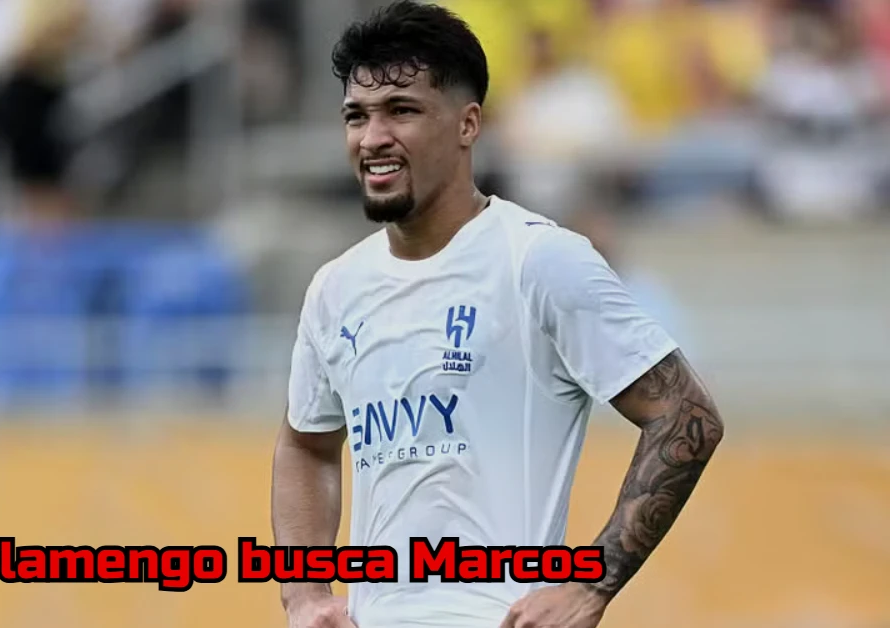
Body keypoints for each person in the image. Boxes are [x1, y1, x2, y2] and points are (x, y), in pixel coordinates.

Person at [269, 3, 725, 628]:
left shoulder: (539, 260)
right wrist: (304, 594)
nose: (372, 137)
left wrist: (592, 584)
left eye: (401, 110)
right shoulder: (335, 288)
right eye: (357, 115)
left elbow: (687, 416)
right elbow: (306, 444)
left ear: (468, 124)